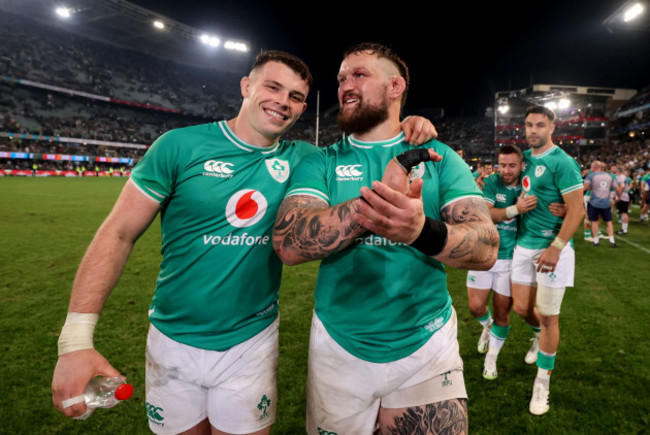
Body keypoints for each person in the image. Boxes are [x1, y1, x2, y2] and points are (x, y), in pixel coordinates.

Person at [51, 49, 437, 434]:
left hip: (250, 342)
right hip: (171, 340)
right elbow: (118, 233)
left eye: (296, 97)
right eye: (273, 87)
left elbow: (371, 143)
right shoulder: (178, 147)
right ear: (246, 86)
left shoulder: (305, 160)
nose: (283, 102)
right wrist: (75, 341)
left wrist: (407, 124)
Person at [272, 43, 498, 434]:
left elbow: (485, 245)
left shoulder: (438, 155)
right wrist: (373, 209)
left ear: (395, 86)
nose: (345, 85)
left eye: (359, 75)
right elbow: (289, 243)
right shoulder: (321, 160)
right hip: (338, 343)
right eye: (342, 78)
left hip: (426, 340)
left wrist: (418, 230)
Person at [510, 106, 584, 416]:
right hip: (523, 246)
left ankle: (542, 382)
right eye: (529, 125)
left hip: (551, 249)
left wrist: (555, 246)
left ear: (552, 127)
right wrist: (517, 204)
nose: (533, 130)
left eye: (540, 125)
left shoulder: (563, 162)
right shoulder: (524, 159)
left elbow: (577, 209)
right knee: (522, 308)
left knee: (550, 316)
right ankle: (539, 338)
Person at [466, 145, 537, 380]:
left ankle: (491, 359)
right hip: (483, 254)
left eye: (512, 165)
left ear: (521, 165)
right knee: (476, 307)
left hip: (510, 259)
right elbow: (487, 214)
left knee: (502, 313)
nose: (506, 170)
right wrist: (516, 209)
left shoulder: (529, 184)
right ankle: (487, 328)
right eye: (503, 165)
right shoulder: (491, 182)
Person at [584, 161, 617, 247]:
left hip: (594, 199)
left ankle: (596, 238)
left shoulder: (592, 174)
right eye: (602, 166)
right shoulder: (606, 175)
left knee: (595, 219)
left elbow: (586, 186)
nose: (603, 168)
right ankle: (587, 234)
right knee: (589, 218)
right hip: (592, 198)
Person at [614, 168, 631, 235]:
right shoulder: (625, 177)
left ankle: (624, 230)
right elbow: (629, 185)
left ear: (618, 171)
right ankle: (624, 229)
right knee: (624, 212)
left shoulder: (620, 178)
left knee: (623, 213)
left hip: (622, 197)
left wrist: (619, 195)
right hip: (625, 196)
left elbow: (622, 186)